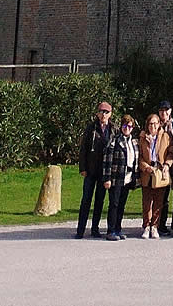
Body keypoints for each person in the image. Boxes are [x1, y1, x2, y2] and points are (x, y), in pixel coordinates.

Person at [76, 98, 114, 239]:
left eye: (106, 112)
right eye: (101, 112)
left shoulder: (113, 129)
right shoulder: (91, 128)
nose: (103, 114)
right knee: (86, 199)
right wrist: (83, 168)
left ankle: (95, 228)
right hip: (91, 169)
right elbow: (83, 149)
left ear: (110, 114)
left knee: (99, 200)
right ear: (97, 114)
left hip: (104, 171)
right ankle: (80, 230)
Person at [102, 113, 138, 241]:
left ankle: (118, 228)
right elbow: (107, 160)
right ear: (121, 126)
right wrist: (107, 178)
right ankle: (110, 230)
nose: (127, 128)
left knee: (122, 204)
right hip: (116, 177)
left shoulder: (133, 142)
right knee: (114, 204)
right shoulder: (114, 140)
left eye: (129, 126)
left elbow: (135, 161)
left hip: (127, 178)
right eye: (125, 125)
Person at [139, 110, 173, 239]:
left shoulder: (165, 136)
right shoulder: (142, 138)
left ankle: (155, 226)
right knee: (147, 202)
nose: (153, 126)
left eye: (155, 123)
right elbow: (140, 156)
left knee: (159, 202)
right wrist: (145, 167)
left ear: (159, 124)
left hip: (160, 172)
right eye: (150, 124)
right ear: (147, 125)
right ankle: (146, 226)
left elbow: (170, 153)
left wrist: (167, 165)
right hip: (148, 172)